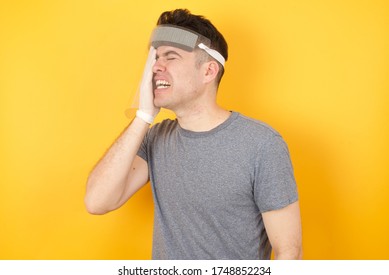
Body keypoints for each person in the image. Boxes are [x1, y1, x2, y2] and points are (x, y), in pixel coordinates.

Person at [85, 9, 302, 260]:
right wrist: (143, 115)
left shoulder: (262, 145)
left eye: (171, 57)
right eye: (155, 57)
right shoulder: (155, 138)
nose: (155, 67)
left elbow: (289, 252)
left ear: (208, 71)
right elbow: (97, 202)